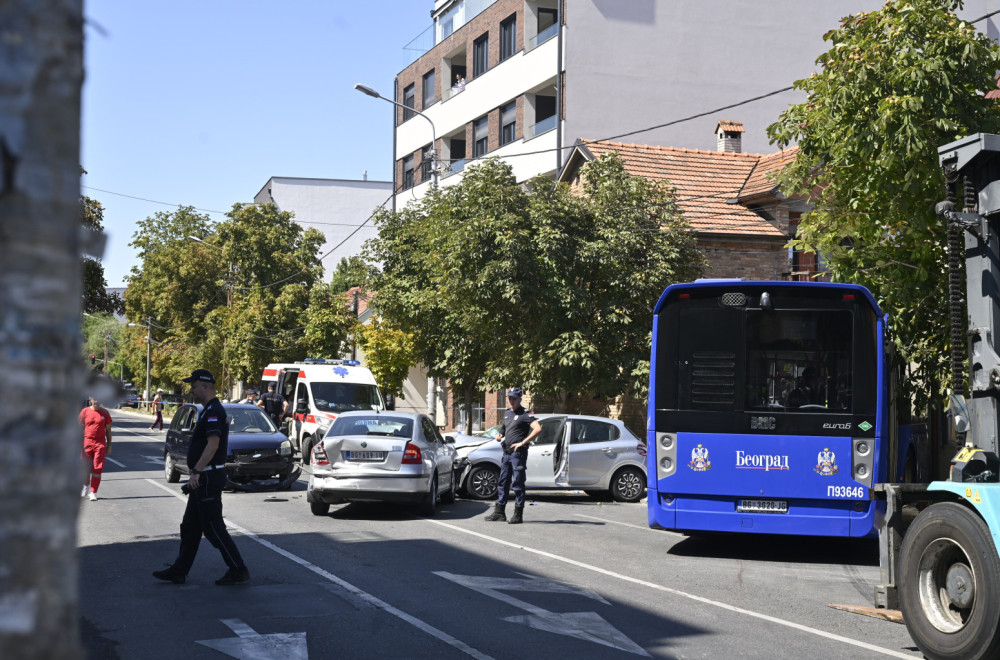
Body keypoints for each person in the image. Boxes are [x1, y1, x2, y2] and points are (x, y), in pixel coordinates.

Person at [153, 369, 249, 586]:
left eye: (194, 386)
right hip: (203, 477)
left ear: (205, 386)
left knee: (213, 528)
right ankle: (179, 571)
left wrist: (196, 471)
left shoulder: (215, 411)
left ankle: (238, 568)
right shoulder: (207, 410)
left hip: (207, 477)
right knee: (190, 528)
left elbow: (213, 445)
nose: (191, 390)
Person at [484, 387, 542, 525]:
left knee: (517, 483)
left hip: (518, 454)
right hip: (507, 453)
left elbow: (538, 429)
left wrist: (523, 442)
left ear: (520, 399)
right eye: (509, 398)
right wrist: (500, 434)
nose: (511, 401)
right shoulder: (507, 413)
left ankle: (518, 514)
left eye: (514, 399)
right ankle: (499, 512)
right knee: (503, 482)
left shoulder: (526, 414)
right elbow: (504, 428)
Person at [79, 396, 112, 502]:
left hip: (100, 443)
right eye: (94, 398)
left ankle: (93, 492)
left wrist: (109, 445)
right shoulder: (85, 412)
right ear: (91, 399)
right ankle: (86, 485)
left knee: (97, 468)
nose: (97, 400)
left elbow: (108, 431)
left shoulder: (105, 413)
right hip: (86, 442)